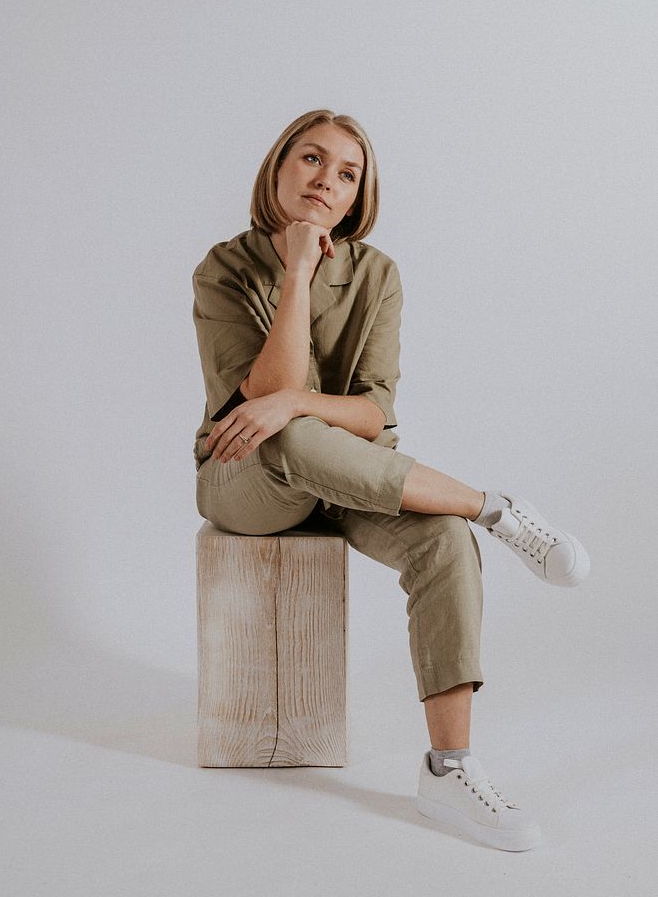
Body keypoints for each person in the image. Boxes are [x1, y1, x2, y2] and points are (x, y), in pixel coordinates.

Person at [191, 108, 590, 852]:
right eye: (310, 160)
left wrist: (300, 401)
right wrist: (299, 270)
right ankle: (495, 509)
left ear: (356, 197)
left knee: (440, 537)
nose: (325, 180)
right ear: (277, 169)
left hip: (342, 472)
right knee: (281, 436)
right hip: (245, 476)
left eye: (346, 173)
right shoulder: (224, 268)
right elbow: (260, 404)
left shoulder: (377, 274)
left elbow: (374, 414)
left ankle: (449, 770)